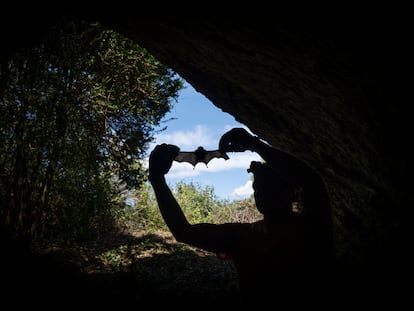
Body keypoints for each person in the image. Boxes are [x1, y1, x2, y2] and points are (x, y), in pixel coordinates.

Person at [148, 127, 334, 304]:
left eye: (269, 186)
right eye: (257, 187)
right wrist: (157, 179)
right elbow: (183, 232)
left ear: (292, 192)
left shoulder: (310, 225)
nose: (260, 191)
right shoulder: (242, 235)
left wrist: (256, 145)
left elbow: (311, 181)